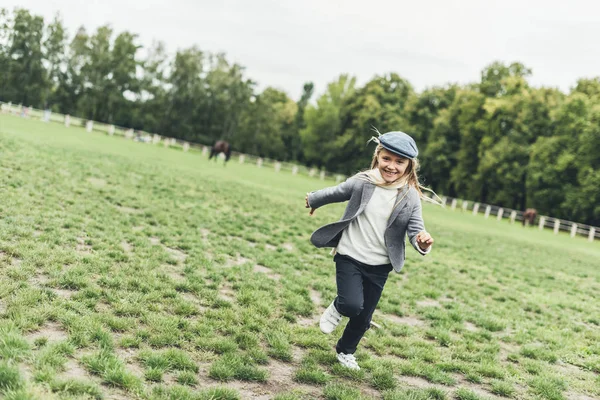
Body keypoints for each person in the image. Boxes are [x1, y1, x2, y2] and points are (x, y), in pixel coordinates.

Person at [304, 130, 434, 371]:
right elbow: (337, 191)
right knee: (352, 305)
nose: (392, 166)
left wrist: (421, 241)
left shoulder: (410, 196)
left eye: (399, 162)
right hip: (350, 255)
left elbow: (416, 230)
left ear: (409, 165)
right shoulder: (364, 182)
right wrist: (313, 199)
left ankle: (345, 351)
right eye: (387, 159)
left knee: (363, 318)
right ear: (378, 156)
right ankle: (339, 306)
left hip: (380, 265)